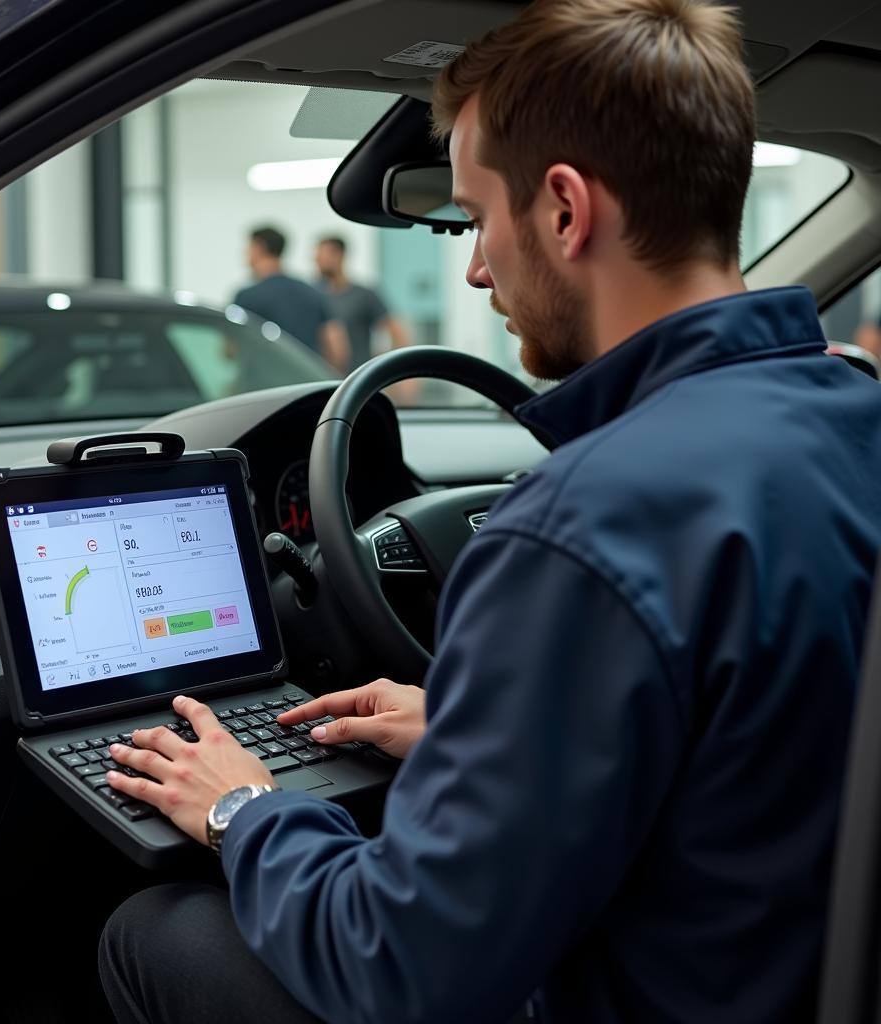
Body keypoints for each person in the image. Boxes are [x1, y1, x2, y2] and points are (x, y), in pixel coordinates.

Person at [98, 1, 881, 1021]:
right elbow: (769, 740)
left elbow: (398, 965)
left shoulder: (580, 528)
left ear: (562, 209)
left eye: (473, 217)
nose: (472, 267)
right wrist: (490, 735)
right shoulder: (850, 417)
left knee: (154, 931)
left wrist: (243, 808)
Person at [233, 226, 350, 372]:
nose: (246, 253)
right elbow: (337, 349)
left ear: (259, 247)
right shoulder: (313, 293)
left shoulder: (247, 296)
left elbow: (230, 350)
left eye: (248, 248)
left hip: (262, 387)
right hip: (307, 385)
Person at [314, 236, 413, 368]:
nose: (317, 261)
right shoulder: (314, 295)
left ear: (339, 255)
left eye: (322, 256)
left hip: (357, 375)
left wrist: (388, 366)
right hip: (321, 375)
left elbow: (396, 331)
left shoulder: (364, 295)